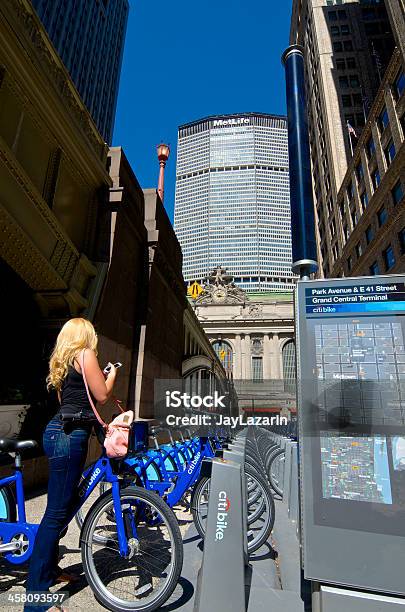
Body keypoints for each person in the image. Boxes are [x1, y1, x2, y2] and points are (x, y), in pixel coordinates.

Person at [25, 318, 117, 611]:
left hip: (61, 433)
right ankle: (36, 599)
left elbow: (80, 398)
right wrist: (111, 374)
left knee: (63, 507)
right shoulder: (85, 354)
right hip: (68, 437)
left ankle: (50, 570)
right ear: (85, 335)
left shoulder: (64, 361)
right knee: (55, 515)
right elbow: (101, 396)